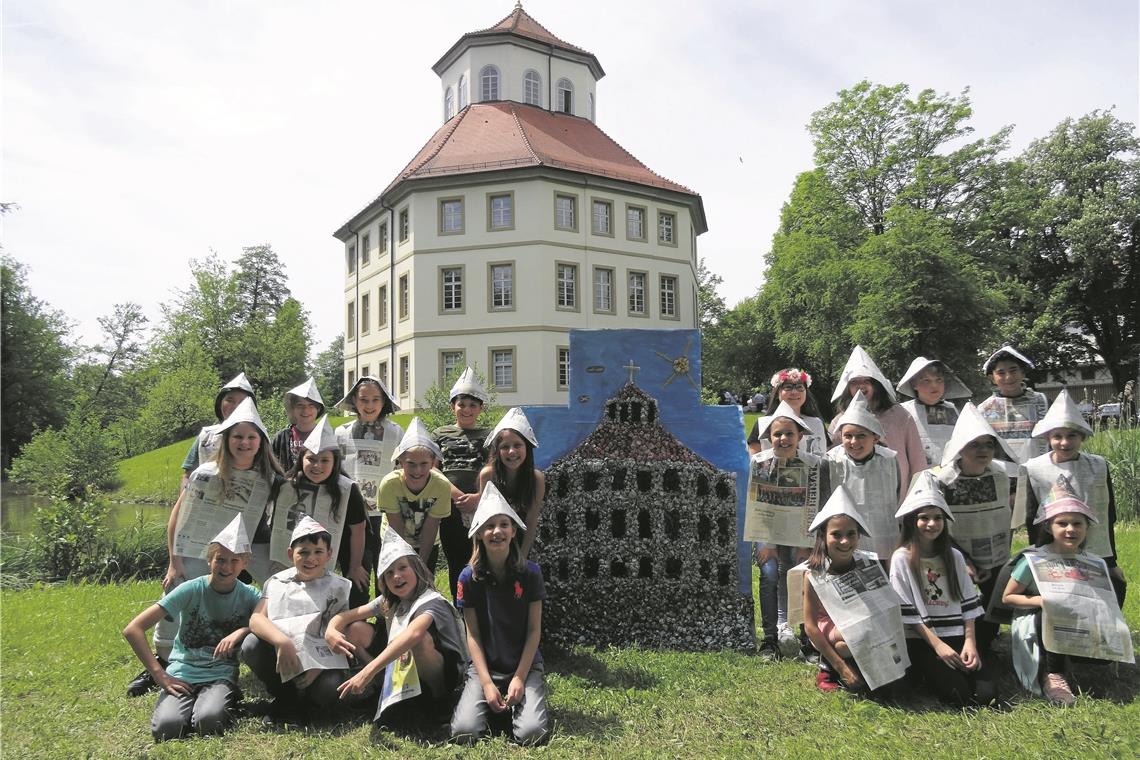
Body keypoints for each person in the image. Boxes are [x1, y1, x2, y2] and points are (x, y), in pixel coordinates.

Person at [129, 398, 282, 698]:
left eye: (251, 437)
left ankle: (279, 644)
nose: (244, 442)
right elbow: (179, 514)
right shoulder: (205, 473)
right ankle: (162, 661)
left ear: (261, 442)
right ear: (227, 440)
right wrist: (174, 561)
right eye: (238, 436)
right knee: (178, 586)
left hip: (250, 544)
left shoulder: (270, 476)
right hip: (203, 546)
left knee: (281, 581)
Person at [122, 516, 260, 742]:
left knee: (209, 722)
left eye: (235, 560)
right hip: (182, 672)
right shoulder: (191, 589)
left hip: (220, 674)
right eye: (220, 559)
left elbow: (266, 624)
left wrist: (242, 631)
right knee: (167, 730)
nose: (226, 567)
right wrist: (160, 675)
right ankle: (180, 704)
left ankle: (227, 701)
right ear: (209, 560)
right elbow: (133, 629)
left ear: (245, 563)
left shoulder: (250, 595)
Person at [327, 528, 466, 730]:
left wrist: (366, 671)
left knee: (418, 642)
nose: (396, 576)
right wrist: (331, 629)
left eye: (402, 568)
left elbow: (413, 634)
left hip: (442, 674)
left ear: (417, 569)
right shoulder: (388, 600)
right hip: (403, 668)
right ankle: (383, 688)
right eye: (389, 573)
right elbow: (347, 616)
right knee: (355, 629)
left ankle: (438, 702)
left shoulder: (431, 601)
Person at [998, 498, 1127, 706]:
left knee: (1104, 655)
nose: (1070, 529)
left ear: (1087, 528)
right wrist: (1041, 600)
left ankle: (1074, 658)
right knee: (1050, 610)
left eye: (1077, 524)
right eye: (1062, 523)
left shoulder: (1094, 562)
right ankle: (1053, 674)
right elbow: (1008, 597)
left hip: (1078, 619)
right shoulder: (1034, 560)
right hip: (1037, 618)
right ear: (1049, 527)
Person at [450, 482, 549, 745]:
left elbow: (534, 630)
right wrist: (486, 681)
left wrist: (519, 677)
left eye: (504, 524)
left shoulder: (531, 574)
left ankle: (523, 694)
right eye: (489, 526)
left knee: (532, 735)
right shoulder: (468, 577)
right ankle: (492, 701)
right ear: (479, 534)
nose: (497, 531)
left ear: (514, 530)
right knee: (463, 732)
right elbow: (472, 636)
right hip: (486, 666)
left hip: (524, 665)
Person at [890, 473, 996, 706]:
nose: (931, 524)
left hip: (957, 634)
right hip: (924, 639)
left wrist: (971, 643)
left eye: (938, 518)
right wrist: (938, 646)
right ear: (912, 521)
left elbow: (968, 604)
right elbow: (907, 612)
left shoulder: (954, 556)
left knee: (988, 696)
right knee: (959, 697)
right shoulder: (901, 558)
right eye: (924, 518)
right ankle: (922, 674)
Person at [1017, 389, 1126, 607]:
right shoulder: (1035, 469)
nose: (1064, 443)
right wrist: (1039, 559)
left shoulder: (1098, 465)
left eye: (1071, 436)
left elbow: (1107, 513)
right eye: (1057, 436)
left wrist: (1111, 561)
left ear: (1082, 437)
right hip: (1053, 546)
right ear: (1048, 437)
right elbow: (1032, 517)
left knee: (1113, 589)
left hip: (1095, 545)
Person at [242, 516, 351, 722]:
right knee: (251, 645)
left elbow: (341, 631)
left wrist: (318, 666)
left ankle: (310, 706)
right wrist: (281, 642)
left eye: (318, 552)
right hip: (283, 655)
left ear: (329, 554)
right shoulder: (276, 581)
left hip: (321, 661)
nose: (311, 559)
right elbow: (257, 618)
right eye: (303, 552)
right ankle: (285, 697)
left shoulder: (339, 587)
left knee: (329, 686)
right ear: (291, 554)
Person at [932, 403, 1019, 653]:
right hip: (953, 554)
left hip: (994, 557)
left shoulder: (1003, 476)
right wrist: (966, 560)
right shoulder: (942, 480)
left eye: (988, 444)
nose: (983, 450)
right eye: (975, 444)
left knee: (995, 602)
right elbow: (936, 525)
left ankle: (984, 643)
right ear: (961, 447)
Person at [748, 401, 830, 659]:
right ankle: (770, 639)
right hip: (768, 532)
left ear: (800, 436)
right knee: (770, 573)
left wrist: (809, 541)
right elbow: (757, 506)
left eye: (789, 433)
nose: (783, 438)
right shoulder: (759, 464)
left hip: (802, 532)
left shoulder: (815, 464)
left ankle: (808, 639)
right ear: (769, 437)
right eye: (777, 434)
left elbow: (820, 504)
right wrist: (768, 545)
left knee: (803, 574)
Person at [802, 487, 905, 693]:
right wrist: (842, 668)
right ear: (823, 535)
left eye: (851, 534)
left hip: (865, 622)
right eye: (836, 535)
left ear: (859, 536)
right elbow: (810, 627)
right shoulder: (814, 575)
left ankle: (873, 667)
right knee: (849, 640)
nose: (845, 541)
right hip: (833, 628)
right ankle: (830, 667)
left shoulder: (868, 563)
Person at [271, 416, 370, 607]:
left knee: (358, 584)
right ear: (301, 460)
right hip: (308, 544)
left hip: (348, 541)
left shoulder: (348, 489)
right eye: (311, 459)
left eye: (325, 460)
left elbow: (358, 530)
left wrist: (355, 566)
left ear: (335, 463)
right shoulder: (287, 486)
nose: (317, 466)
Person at [335, 375, 403, 599]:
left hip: (386, 514)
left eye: (375, 399)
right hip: (354, 517)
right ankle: (357, 623)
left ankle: (386, 626)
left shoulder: (396, 433)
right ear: (355, 400)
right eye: (364, 399)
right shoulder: (341, 433)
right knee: (356, 575)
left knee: (387, 572)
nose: (370, 405)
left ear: (384, 401)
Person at [829, 345, 927, 492]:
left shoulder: (900, 416)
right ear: (848, 387)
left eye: (866, 380)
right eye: (854, 382)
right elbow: (831, 459)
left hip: (895, 495)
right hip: (853, 494)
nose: (860, 385)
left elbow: (917, 460)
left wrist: (919, 496)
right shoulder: (840, 421)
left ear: (875, 384)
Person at [432, 367, 492, 600]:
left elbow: (494, 468)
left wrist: (478, 497)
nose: (466, 409)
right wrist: (456, 495)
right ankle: (459, 605)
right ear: (452, 407)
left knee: (480, 556)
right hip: (450, 507)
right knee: (455, 557)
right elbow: (433, 468)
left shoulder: (488, 435)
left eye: (472, 405)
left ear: (480, 408)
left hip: (481, 506)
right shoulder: (440, 433)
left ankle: (480, 602)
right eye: (461, 404)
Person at [826, 390, 903, 561]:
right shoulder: (831, 460)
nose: (854, 442)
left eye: (861, 436)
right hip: (845, 539)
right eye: (848, 436)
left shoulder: (889, 459)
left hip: (883, 535)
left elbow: (897, 492)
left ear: (875, 437)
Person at [379, 417, 451, 568]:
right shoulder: (390, 484)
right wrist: (404, 562)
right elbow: (396, 526)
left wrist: (421, 563)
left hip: (427, 541)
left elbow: (431, 526)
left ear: (433, 463)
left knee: (424, 581)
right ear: (401, 462)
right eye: (411, 464)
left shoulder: (441, 485)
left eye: (424, 464)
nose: (417, 471)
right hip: (394, 539)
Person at [478, 407, 545, 560]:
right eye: (505, 447)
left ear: (527, 447)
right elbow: (484, 519)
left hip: (523, 541)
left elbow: (531, 519)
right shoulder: (488, 475)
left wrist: (522, 555)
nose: (512, 452)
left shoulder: (537, 479)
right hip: (494, 542)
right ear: (497, 451)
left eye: (517, 445)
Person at [180, 372, 256, 491]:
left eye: (242, 402)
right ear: (220, 403)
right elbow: (188, 474)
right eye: (230, 400)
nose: (235, 406)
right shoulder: (206, 436)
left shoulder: (258, 437)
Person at [976, 345, 1048, 464]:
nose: (1008, 377)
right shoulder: (984, 409)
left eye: (1013, 370)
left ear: (1023, 373)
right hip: (1002, 475)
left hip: (1038, 472)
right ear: (992, 378)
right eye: (1001, 373)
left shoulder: (1042, 402)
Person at [895, 357, 972, 467]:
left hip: (951, 475)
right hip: (918, 477)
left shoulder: (953, 410)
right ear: (914, 385)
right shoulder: (903, 411)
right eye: (926, 381)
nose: (934, 385)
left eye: (939, 380)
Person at [747, 368, 828, 456]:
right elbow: (753, 462)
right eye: (788, 387)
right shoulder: (762, 424)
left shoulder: (817, 423)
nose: (794, 392)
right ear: (778, 393)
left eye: (799, 387)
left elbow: (826, 460)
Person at [272, 377, 326, 473]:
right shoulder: (281, 438)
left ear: (318, 409)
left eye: (311, 405)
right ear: (293, 409)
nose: (306, 410)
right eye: (300, 405)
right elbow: (271, 467)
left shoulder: (326, 436)